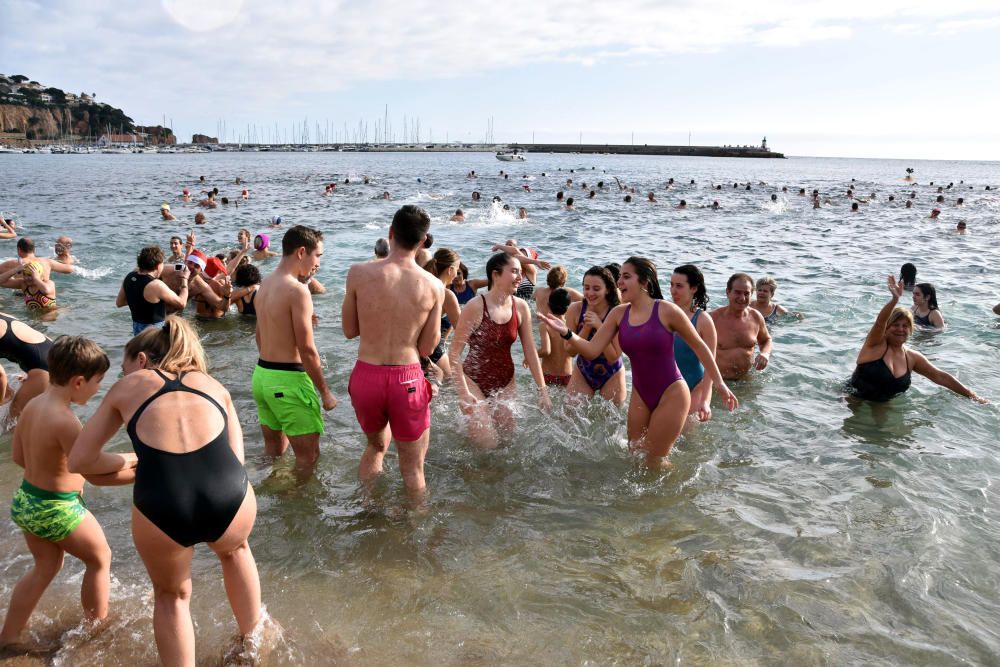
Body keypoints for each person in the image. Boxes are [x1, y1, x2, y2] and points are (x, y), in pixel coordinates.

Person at [69, 318, 262, 665]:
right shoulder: (213, 384)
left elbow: (80, 460)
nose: (123, 376)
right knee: (236, 553)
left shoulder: (129, 388)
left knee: (172, 596)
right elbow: (236, 460)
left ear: (142, 360)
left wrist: (136, 467)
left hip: (164, 502)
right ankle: (255, 643)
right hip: (230, 495)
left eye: (124, 369)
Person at [539, 257, 737, 467]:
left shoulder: (666, 310)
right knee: (635, 454)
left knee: (654, 459)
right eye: (619, 277)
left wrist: (719, 384)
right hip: (641, 394)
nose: (619, 282)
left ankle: (678, 491)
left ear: (644, 282)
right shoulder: (618, 314)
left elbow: (700, 346)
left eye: (626, 276)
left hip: (672, 393)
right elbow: (592, 349)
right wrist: (567, 333)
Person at [1, 337, 132, 648]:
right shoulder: (66, 421)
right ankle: (94, 630)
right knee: (100, 558)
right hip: (56, 508)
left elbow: (18, 457)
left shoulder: (33, 405)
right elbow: (90, 464)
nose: (99, 388)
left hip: (27, 501)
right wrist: (132, 458)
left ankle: (8, 635)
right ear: (78, 381)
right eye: (98, 382)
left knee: (44, 568)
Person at [342, 205, 444, 495]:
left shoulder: (357, 273)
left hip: (366, 378)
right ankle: (414, 532)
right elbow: (427, 347)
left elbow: (349, 330)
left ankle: (369, 514)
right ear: (423, 241)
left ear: (390, 233)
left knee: (375, 448)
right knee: (413, 467)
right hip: (407, 379)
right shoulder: (434, 286)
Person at [253, 225, 336, 476]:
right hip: (288, 382)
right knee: (308, 457)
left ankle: (263, 497)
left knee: (273, 454)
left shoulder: (264, 285)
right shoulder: (298, 290)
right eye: (317, 256)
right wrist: (325, 392)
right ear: (302, 252)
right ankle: (296, 512)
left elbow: (259, 336)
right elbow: (307, 349)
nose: (317, 263)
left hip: (262, 377)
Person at [449, 252, 551, 449]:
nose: (520, 278)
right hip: (473, 380)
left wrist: (543, 390)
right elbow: (454, 354)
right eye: (514, 272)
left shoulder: (520, 307)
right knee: (487, 445)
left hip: (506, 381)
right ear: (495, 275)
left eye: (521, 272)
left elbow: (530, 350)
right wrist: (462, 392)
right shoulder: (476, 306)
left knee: (507, 443)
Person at [848, 277, 987, 403]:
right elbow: (879, 322)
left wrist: (972, 396)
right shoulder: (875, 345)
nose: (900, 329)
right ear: (887, 328)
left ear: (911, 329)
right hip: (853, 400)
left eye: (905, 326)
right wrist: (894, 301)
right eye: (895, 325)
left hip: (883, 405)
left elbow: (940, 377)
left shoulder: (912, 357)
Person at [563, 266, 626, 405]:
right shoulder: (576, 309)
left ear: (608, 289)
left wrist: (599, 326)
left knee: (611, 424)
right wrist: (586, 327)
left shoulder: (616, 312)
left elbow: (613, 356)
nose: (590, 293)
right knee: (568, 420)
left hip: (612, 373)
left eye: (596, 289)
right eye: (586, 288)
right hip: (583, 371)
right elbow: (569, 351)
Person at [670, 264, 718, 421]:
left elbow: (711, 364)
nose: (673, 290)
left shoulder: (703, 320)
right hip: (668, 385)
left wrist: (705, 400)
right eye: (671, 285)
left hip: (696, 386)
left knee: (687, 434)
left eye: (679, 286)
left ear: (694, 288)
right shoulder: (664, 313)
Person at [711, 273, 773, 380]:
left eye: (746, 293)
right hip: (720, 382)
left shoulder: (756, 317)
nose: (742, 298)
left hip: (746, 380)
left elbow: (766, 340)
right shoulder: (712, 319)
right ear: (728, 292)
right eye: (737, 292)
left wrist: (765, 354)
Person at [116, 246, 189, 335]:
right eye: (162, 264)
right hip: (154, 332)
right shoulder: (156, 285)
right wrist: (185, 279)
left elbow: (119, 303)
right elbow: (182, 303)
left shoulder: (129, 277)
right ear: (158, 266)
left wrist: (141, 298)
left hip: (137, 329)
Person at [0, 312, 54, 424]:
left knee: (11, 424)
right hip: (53, 354)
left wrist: (2, 399)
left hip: (44, 368)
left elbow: (1, 375)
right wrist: (31, 372)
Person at [422, 248, 462, 378]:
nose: (457, 274)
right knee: (448, 387)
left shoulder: (423, 287)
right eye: (457, 269)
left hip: (415, 349)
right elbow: (462, 329)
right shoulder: (447, 295)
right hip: (434, 350)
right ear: (450, 270)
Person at [537, 288, 574, 387]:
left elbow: (546, 350)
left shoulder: (545, 325)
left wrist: (531, 355)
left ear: (548, 305)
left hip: (548, 375)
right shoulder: (571, 325)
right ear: (568, 307)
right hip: (568, 375)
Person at [184, 249, 232, 320]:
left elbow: (222, 307)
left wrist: (227, 295)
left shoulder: (202, 286)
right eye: (190, 263)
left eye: (197, 266)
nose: (192, 267)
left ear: (201, 270)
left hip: (200, 317)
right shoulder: (171, 271)